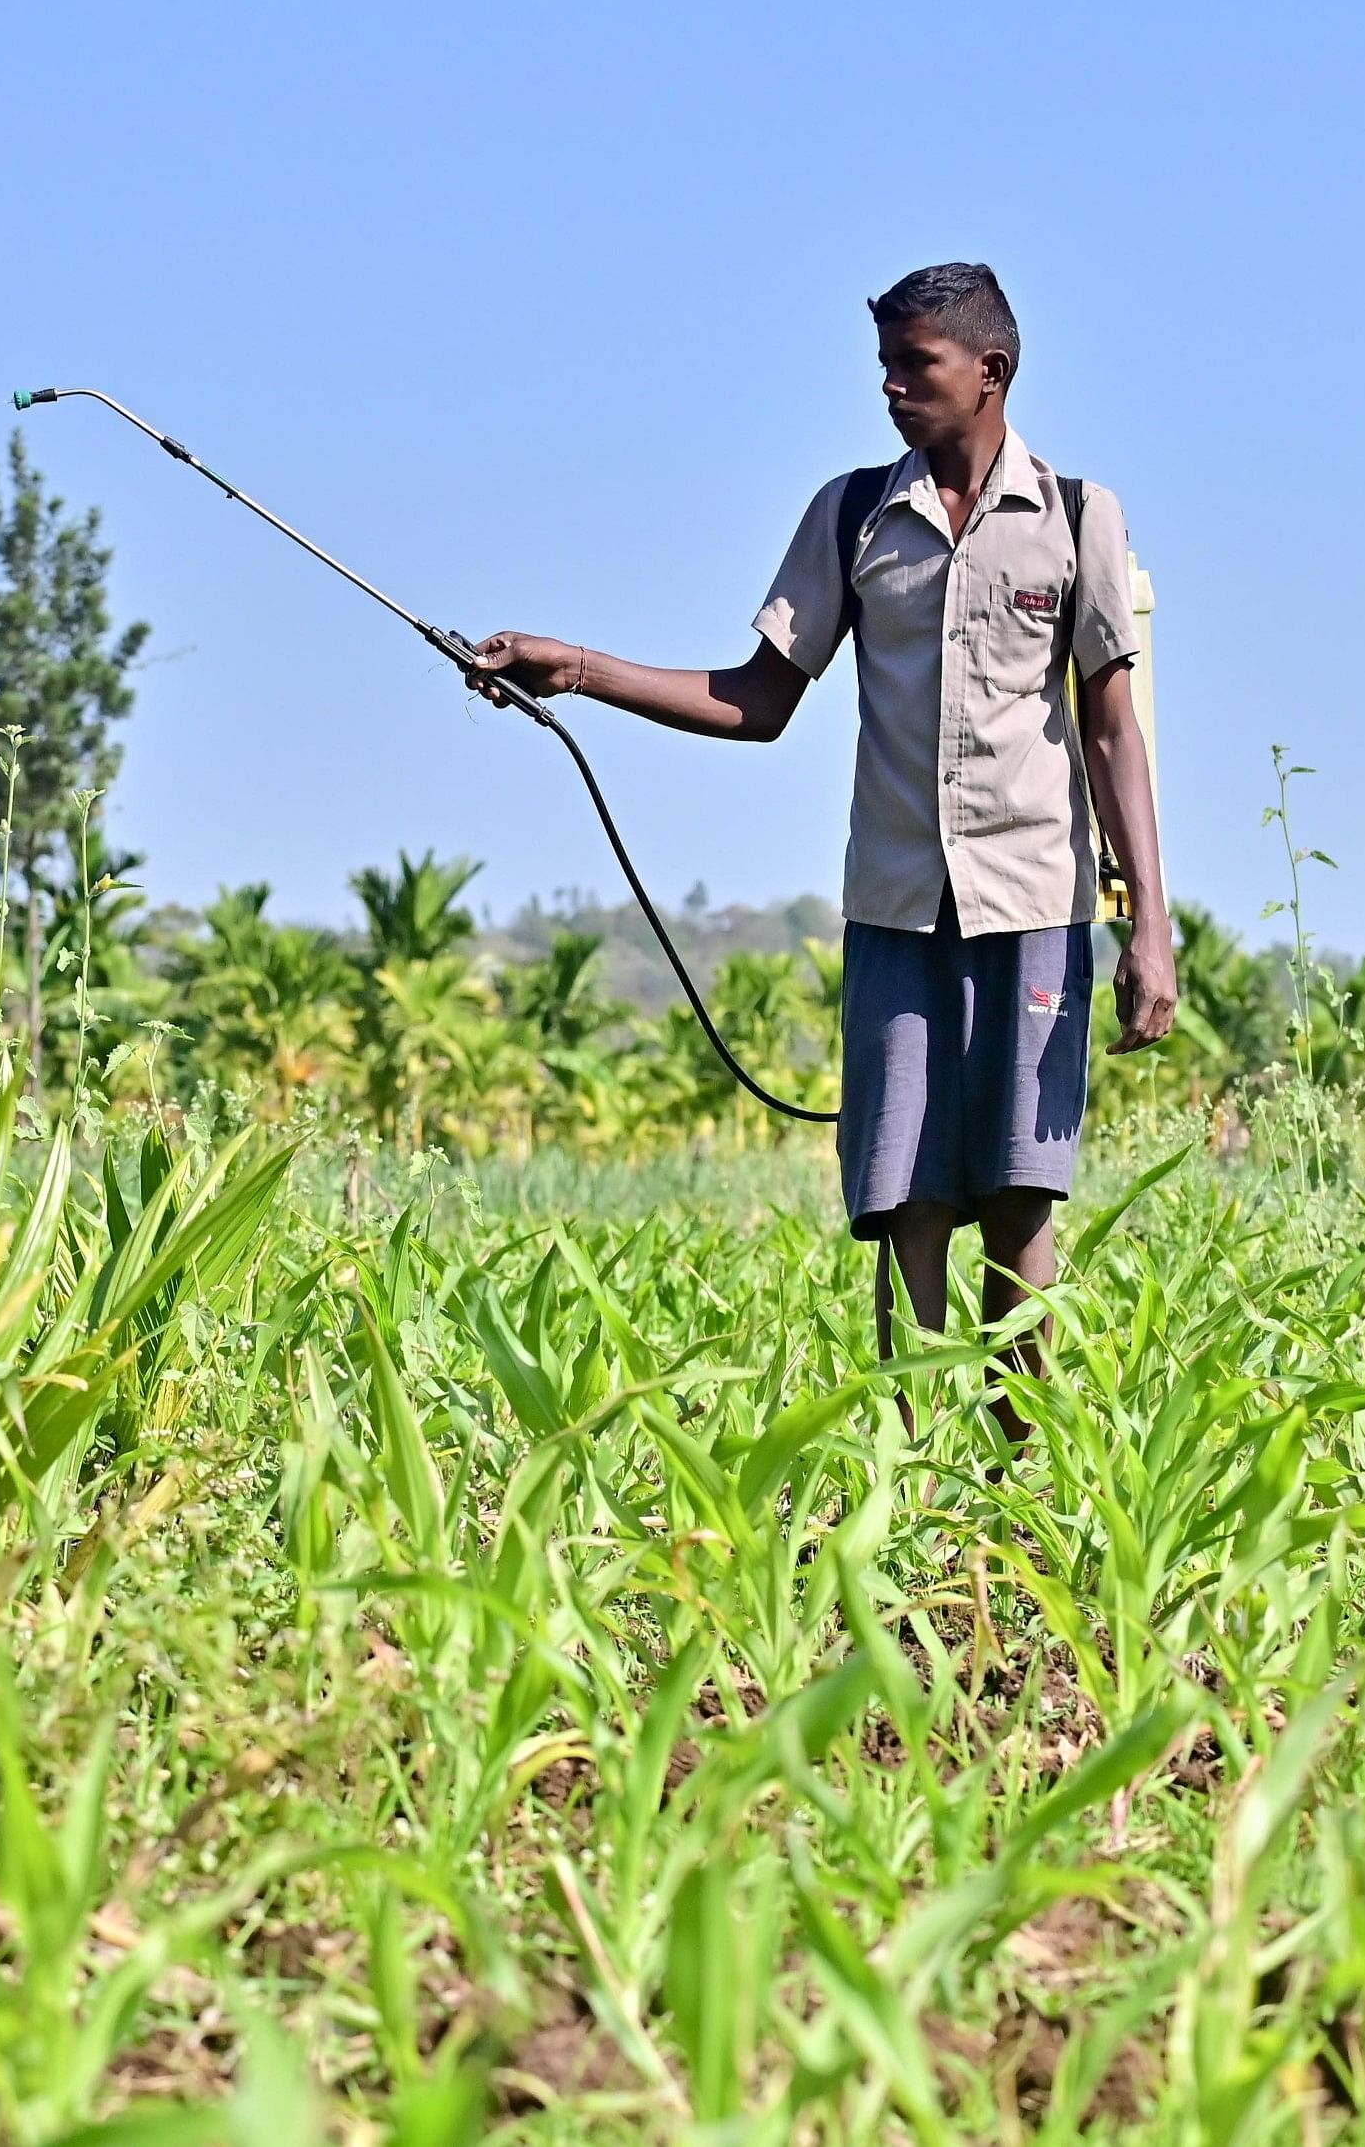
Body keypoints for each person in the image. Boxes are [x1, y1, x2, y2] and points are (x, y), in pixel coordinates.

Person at [468, 261, 1177, 1387]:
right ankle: (907, 1485)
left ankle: (1023, 1489)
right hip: (894, 907)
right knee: (903, 1198)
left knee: (1017, 1203)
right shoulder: (853, 515)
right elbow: (757, 700)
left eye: (916, 365)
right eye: (883, 366)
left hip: (1036, 905)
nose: (890, 387)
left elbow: (1108, 733)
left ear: (988, 372)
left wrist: (1148, 925)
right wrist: (581, 669)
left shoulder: (1076, 518)